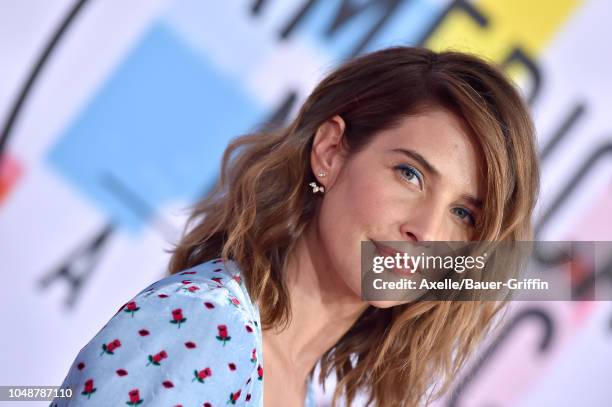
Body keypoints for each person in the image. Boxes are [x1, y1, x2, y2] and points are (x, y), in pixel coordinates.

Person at [51, 46, 540, 406]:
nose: (426, 231)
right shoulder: (204, 328)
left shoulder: (296, 384)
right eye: (410, 174)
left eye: (463, 213)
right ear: (330, 153)